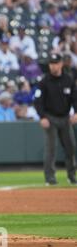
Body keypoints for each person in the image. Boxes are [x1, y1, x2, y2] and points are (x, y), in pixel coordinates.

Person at [34, 53, 77, 185]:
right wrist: (42, 117)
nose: (53, 66)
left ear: (61, 64)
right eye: (51, 63)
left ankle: (71, 176)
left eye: (55, 63)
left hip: (65, 118)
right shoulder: (44, 81)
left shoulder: (68, 80)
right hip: (50, 117)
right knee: (50, 148)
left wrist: (76, 112)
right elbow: (38, 101)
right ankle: (50, 177)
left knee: (70, 147)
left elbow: (75, 98)